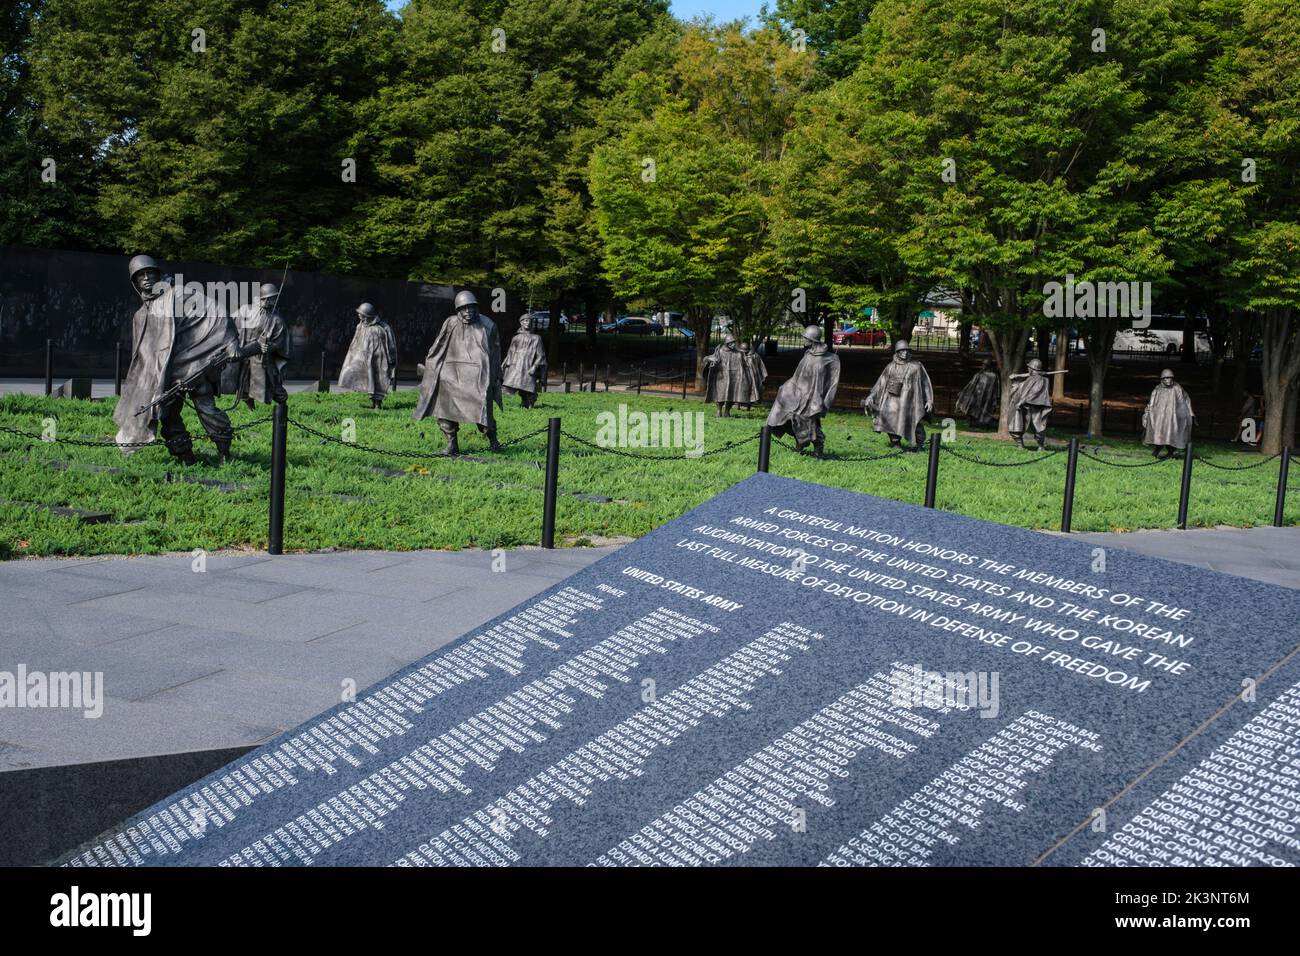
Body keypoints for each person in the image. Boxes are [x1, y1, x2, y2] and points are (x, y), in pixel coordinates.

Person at [114, 254, 238, 464]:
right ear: (134, 282)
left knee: (208, 411)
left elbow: (215, 311)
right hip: (164, 378)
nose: (146, 278)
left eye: (149, 272)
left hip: (193, 367)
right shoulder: (140, 316)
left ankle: (225, 455)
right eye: (140, 275)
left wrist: (229, 341)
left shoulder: (178, 294)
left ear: (158, 274)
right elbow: (142, 357)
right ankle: (185, 458)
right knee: (169, 418)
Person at [413, 290, 502, 455]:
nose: (468, 312)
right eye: (464, 308)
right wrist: (431, 363)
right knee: (445, 411)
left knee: (482, 414)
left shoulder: (488, 325)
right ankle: (452, 444)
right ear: (458, 310)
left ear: (477, 307)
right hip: (452, 375)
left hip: (478, 377)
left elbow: (496, 353)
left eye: (471, 308)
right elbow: (439, 344)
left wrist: (497, 377)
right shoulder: (451, 323)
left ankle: (494, 441)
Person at [766, 325, 840, 458]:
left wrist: (825, 403)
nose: (803, 340)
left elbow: (832, 383)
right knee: (790, 418)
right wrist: (787, 388)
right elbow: (797, 376)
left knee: (808, 422)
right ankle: (800, 443)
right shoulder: (807, 354)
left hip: (814, 398)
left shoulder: (830, 359)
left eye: (806, 338)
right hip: (799, 394)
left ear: (813, 339)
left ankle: (818, 446)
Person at [222, 281, 289, 410]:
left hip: (260, 356)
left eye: (274, 298)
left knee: (271, 383)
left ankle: (282, 407)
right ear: (262, 298)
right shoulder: (246, 309)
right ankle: (249, 406)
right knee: (243, 383)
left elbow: (280, 341)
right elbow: (230, 323)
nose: (272, 301)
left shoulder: (276, 319)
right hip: (242, 351)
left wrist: (270, 347)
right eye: (269, 298)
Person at [864, 339, 933, 451]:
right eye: (902, 351)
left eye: (906, 350)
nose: (905, 353)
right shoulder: (890, 367)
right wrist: (871, 396)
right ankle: (895, 443)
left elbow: (925, 383)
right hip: (893, 400)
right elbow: (880, 383)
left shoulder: (916, 366)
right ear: (897, 352)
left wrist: (929, 400)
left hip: (911, 401)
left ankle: (919, 444)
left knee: (914, 422)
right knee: (890, 419)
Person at [339, 302, 397, 408]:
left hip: (380, 359)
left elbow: (391, 345)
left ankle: (377, 404)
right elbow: (355, 343)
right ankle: (373, 402)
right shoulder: (360, 327)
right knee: (369, 380)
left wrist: (392, 359)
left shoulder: (383, 328)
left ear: (367, 316)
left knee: (379, 380)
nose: (358, 315)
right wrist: (352, 358)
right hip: (365, 359)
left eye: (361, 314)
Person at [1142, 368, 1195, 459]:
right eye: (1166, 378)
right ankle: (1157, 450)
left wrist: (1190, 413)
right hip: (1159, 417)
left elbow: (1185, 401)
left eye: (1170, 378)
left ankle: (1170, 452)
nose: (1168, 380)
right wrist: (1147, 413)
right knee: (1158, 434)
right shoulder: (1157, 389)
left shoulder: (1177, 388)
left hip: (1172, 418)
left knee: (1170, 435)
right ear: (1162, 379)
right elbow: (1151, 402)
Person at [500, 313, 547, 408]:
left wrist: (534, 367)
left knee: (528, 386)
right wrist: (505, 363)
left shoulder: (536, 338)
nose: (528, 322)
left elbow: (541, 355)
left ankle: (530, 403)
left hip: (528, 365)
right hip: (516, 365)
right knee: (513, 383)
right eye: (526, 320)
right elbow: (510, 352)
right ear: (521, 322)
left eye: (530, 321)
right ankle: (523, 401)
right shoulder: (516, 338)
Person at [1009, 358, 1053, 450]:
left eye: (1029, 367)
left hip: (1034, 407)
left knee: (1037, 427)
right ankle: (1020, 445)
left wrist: (1021, 402)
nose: (1028, 369)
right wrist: (1015, 380)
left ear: (1032, 369)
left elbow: (1034, 393)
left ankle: (1041, 446)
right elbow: (1021, 388)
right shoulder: (1030, 378)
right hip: (1023, 407)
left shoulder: (1041, 380)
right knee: (1016, 425)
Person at [703, 334, 749, 416]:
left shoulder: (737, 353)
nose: (733, 344)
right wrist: (710, 360)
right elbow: (706, 359)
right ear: (726, 343)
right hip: (721, 377)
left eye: (734, 342)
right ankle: (719, 410)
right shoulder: (719, 351)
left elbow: (744, 365)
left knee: (732, 395)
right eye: (731, 343)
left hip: (733, 377)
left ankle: (727, 411)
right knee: (720, 394)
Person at [955, 358, 1000, 428]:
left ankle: (981, 424)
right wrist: (964, 392)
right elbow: (971, 384)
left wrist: (995, 399)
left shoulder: (994, 376)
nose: (983, 365)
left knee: (985, 411)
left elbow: (996, 388)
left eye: (985, 364)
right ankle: (972, 423)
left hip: (987, 397)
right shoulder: (979, 374)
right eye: (983, 364)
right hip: (976, 395)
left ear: (989, 365)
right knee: (971, 408)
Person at [740, 341, 767, 410]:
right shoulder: (739, 356)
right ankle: (739, 404)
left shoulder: (754, 356)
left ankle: (749, 405)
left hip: (752, 376)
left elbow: (761, 366)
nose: (744, 353)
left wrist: (762, 375)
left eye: (745, 351)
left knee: (752, 390)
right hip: (741, 376)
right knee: (741, 389)